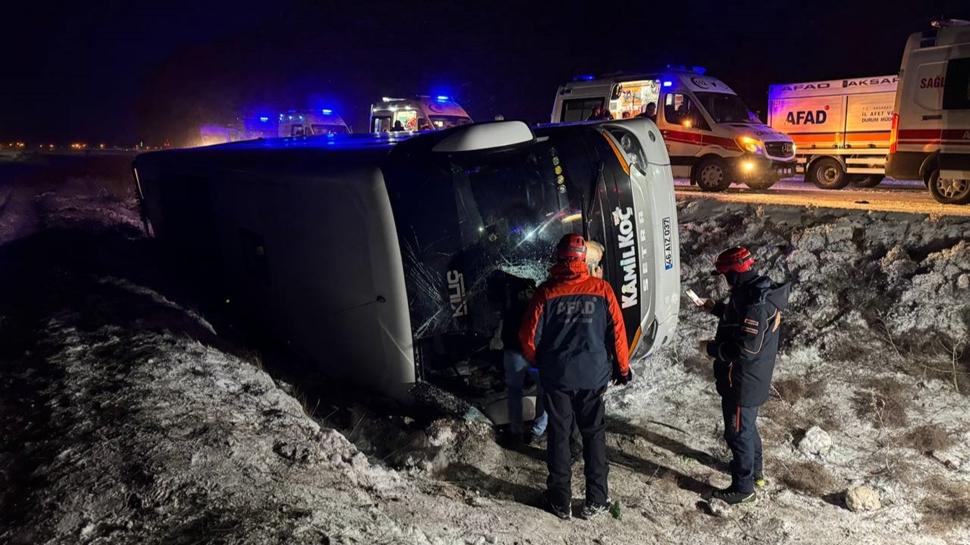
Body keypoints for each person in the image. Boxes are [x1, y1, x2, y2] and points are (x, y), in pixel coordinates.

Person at [519, 234, 632, 520]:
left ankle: (560, 500)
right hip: (594, 377)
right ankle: (596, 499)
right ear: (583, 259)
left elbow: (528, 338)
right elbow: (618, 333)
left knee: (559, 435)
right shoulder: (602, 290)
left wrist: (541, 364)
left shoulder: (546, 292)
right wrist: (622, 368)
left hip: (558, 378)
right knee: (593, 435)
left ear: (559, 257)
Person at [699, 246, 789, 505]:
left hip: (742, 381)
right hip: (751, 379)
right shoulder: (753, 292)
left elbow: (746, 349)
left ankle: (743, 487)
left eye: (726, 274)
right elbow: (738, 318)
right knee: (747, 428)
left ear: (736, 273)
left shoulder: (756, 304)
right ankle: (755, 472)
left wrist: (712, 349)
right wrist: (716, 308)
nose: (724, 279)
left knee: (737, 433)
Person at [487, 271, 547, 445]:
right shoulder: (537, 293)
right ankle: (537, 430)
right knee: (544, 390)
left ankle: (516, 431)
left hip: (514, 352)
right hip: (534, 353)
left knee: (515, 391)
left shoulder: (507, 293)